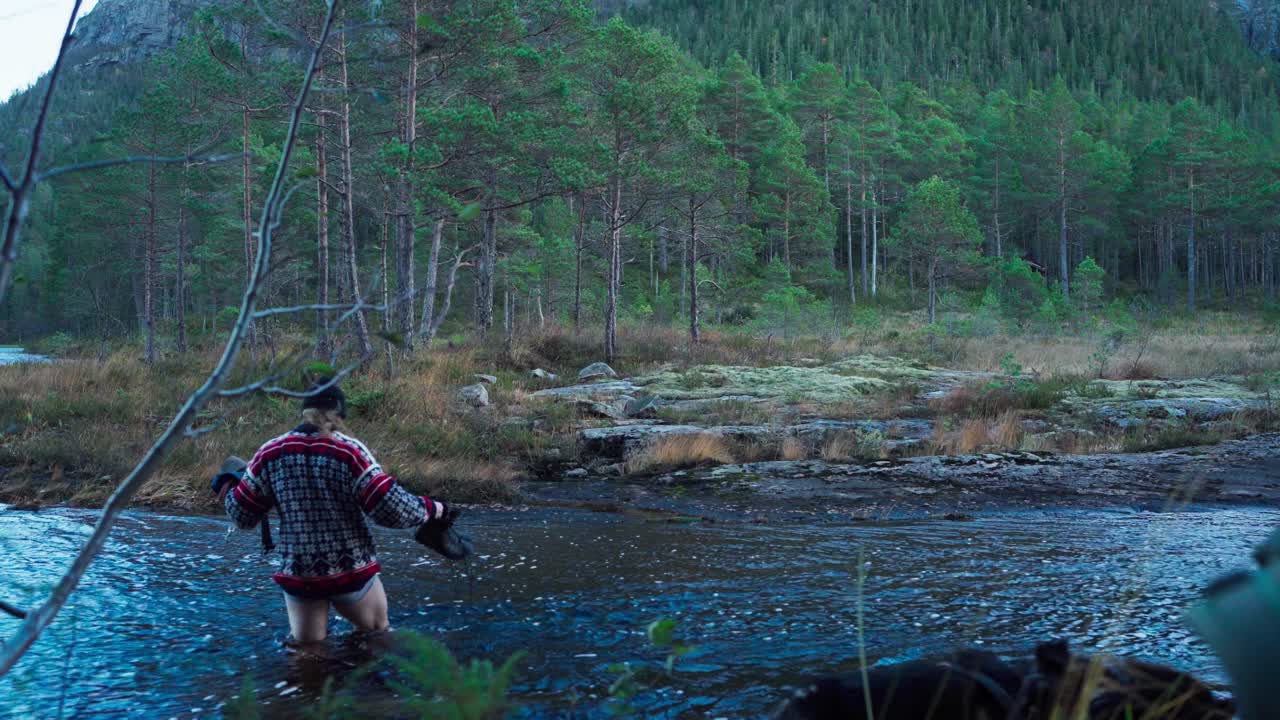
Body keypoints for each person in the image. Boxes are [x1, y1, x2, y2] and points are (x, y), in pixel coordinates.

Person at [212, 381, 452, 644]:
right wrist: (434, 508)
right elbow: (390, 509)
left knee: (308, 654)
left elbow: (242, 516)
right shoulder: (349, 452)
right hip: (350, 572)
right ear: (339, 416)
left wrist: (232, 485)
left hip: (300, 575)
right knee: (377, 634)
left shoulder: (270, 453)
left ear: (304, 412)